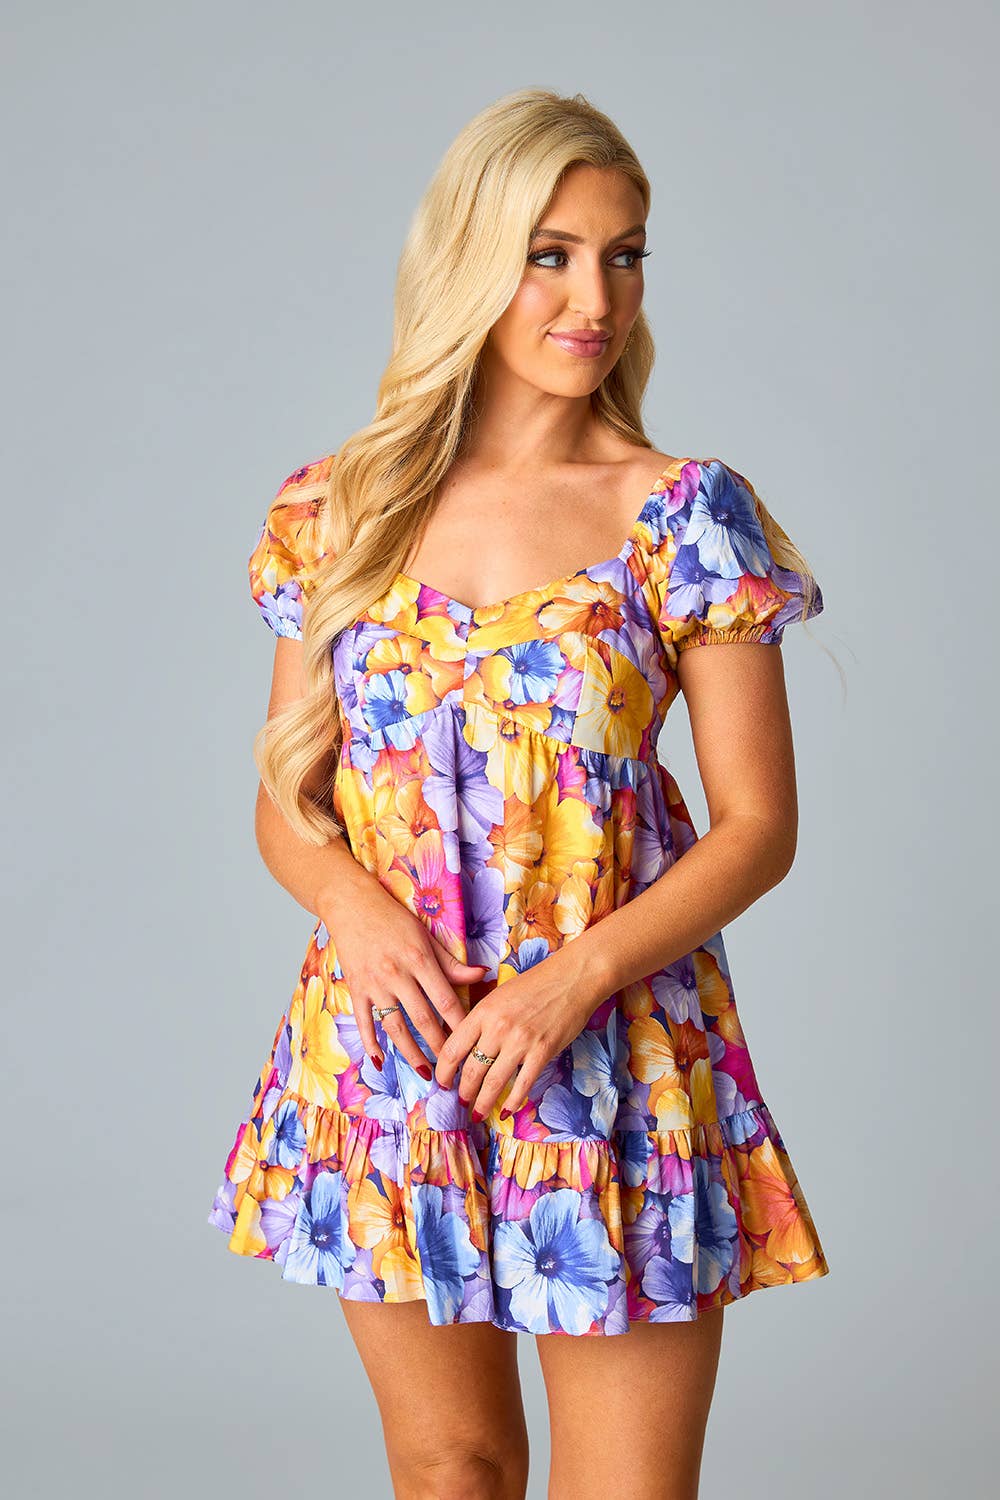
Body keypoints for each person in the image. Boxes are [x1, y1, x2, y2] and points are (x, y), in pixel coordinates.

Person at [207, 86, 831, 1500]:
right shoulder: (336, 511)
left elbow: (758, 826)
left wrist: (572, 984)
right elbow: (285, 798)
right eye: (551, 254)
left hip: (611, 1055)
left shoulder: (684, 512)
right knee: (452, 1471)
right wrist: (356, 915)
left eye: (625, 255)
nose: (595, 298)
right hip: (392, 1054)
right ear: (471, 257)